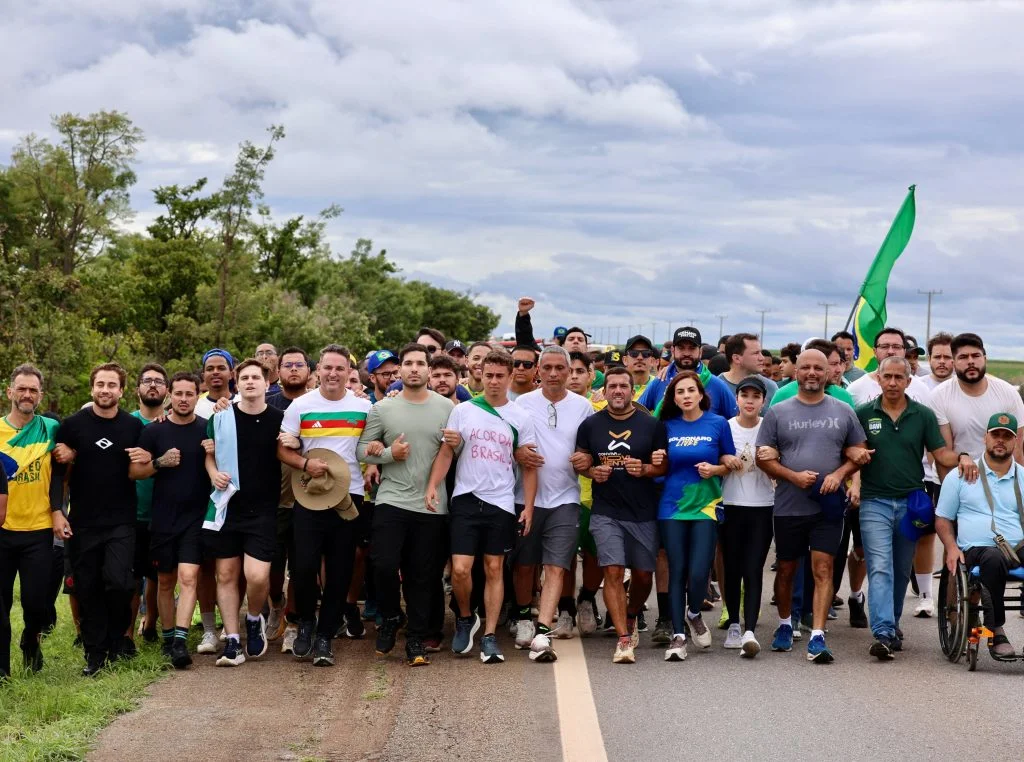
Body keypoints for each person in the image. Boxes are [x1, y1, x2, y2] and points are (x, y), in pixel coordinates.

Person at [425, 350, 538, 664]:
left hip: (500, 502)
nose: (494, 381)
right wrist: (434, 484)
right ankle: (465, 617)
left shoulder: (520, 416)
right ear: (479, 375)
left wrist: (528, 507)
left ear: (510, 376)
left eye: (500, 375)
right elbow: (447, 452)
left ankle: (489, 635)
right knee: (460, 570)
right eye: (488, 375)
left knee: (493, 569)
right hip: (465, 499)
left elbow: (529, 466)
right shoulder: (464, 411)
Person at [850, 357, 966, 659]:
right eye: (886, 376)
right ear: (878, 378)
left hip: (911, 502)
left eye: (898, 377)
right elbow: (853, 452)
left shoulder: (923, 415)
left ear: (908, 380)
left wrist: (964, 457)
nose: (891, 382)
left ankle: (892, 623)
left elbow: (940, 452)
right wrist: (854, 483)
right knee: (879, 566)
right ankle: (884, 632)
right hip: (874, 501)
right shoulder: (863, 413)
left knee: (901, 569)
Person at [756, 350, 866, 663]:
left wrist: (839, 475)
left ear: (829, 373)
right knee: (788, 569)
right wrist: (792, 476)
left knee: (823, 567)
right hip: (789, 504)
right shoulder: (778, 411)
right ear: (796, 372)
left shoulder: (844, 410)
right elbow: (764, 457)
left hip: (828, 506)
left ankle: (817, 635)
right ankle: (785, 624)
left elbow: (859, 453)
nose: (813, 373)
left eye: (819, 367)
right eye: (806, 367)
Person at [357, 343, 454, 667]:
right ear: (400, 371)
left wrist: (457, 441)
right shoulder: (383, 409)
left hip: (430, 504)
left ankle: (415, 639)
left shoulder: (447, 407)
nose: (414, 368)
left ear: (428, 369)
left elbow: (454, 449)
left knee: (422, 575)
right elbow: (362, 451)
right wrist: (387, 455)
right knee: (383, 563)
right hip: (391, 499)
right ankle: (389, 616)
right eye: (408, 363)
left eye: (419, 363)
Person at [277, 346, 371, 667]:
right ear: (318, 370)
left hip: (349, 497)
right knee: (303, 566)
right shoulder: (300, 406)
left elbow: (370, 449)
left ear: (348, 372)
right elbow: (283, 450)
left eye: (340, 369)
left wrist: (376, 459)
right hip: (309, 495)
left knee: (340, 570)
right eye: (327, 368)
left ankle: (325, 637)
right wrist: (304, 463)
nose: (333, 374)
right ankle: (305, 621)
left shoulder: (363, 409)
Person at [55, 363, 144, 676]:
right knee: (88, 588)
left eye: (112, 385)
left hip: (121, 520)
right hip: (83, 522)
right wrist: (58, 511)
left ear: (121, 391)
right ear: (92, 388)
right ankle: (95, 654)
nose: (105, 390)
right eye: (100, 385)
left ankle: (116, 636)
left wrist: (149, 458)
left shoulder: (133, 427)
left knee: (120, 583)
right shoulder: (72, 426)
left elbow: (143, 464)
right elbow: (59, 474)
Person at [575, 366, 668, 664]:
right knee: (613, 572)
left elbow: (662, 467)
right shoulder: (590, 425)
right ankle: (623, 639)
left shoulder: (652, 425)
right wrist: (591, 471)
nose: (617, 391)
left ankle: (630, 613)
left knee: (643, 575)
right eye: (612, 386)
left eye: (623, 386)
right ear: (604, 391)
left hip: (643, 511)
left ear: (631, 390)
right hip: (606, 511)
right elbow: (581, 462)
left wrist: (646, 470)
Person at [510, 346, 594, 662]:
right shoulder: (522, 403)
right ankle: (522, 618)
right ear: (539, 371)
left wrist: (587, 458)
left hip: (566, 498)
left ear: (570, 371)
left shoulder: (583, 406)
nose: (555, 374)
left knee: (556, 565)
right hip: (526, 497)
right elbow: (510, 443)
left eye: (561, 368)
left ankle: (543, 629)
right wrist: (517, 454)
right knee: (525, 564)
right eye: (548, 368)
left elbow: (589, 449)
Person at [203, 359, 284, 667]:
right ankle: (233, 643)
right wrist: (212, 474)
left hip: (263, 508)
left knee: (257, 575)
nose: (250, 381)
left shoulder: (280, 418)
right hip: (227, 505)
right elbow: (208, 456)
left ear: (267, 383)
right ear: (236, 384)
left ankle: (254, 618)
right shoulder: (222, 416)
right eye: (245, 378)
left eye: (256, 377)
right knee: (225, 574)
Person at [129, 372, 210, 669]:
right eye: (179, 394)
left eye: (190, 394)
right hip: (162, 517)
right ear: (169, 396)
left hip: (195, 518)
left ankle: (179, 640)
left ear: (197, 396)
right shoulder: (153, 432)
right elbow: (134, 472)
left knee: (189, 579)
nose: (184, 399)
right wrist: (160, 462)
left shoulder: (206, 429)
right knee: (165, 581)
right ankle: (166, 637)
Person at [656, 371, 737, 662]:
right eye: (680, 392)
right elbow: (658, 467)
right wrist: (656, 461)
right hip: (672, 506)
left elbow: (728, 460)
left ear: (701, 394)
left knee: (700, 570)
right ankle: (678, 636)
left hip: (706, 505)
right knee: (677, 569)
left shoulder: (718, 424)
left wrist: (717, 468)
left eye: (691, 390)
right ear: (674, 398)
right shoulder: (665, 426)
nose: (686, 396)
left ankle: (693, 613)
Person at [936, 413, 1024, 659]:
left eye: (1007, 437)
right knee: (992, 558)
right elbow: (942, 518)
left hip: (1016, 546)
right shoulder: (960, 476)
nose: (1000, 441)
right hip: (977, 549)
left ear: (1015, 442)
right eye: (996, 435)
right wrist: (952, 548)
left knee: (999, 557)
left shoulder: (1023, 476)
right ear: (985, 437)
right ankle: (996, 631)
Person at [0, 364, 62, 676]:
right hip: (2, 530)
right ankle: (2, 670)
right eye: (21, 389)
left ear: (40, 395)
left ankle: (30, 641)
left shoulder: (51, 429)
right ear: (9, 392)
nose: (27, 394)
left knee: (37, 603)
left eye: (33, 390)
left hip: (39, 529)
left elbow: (92, 424)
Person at [719, 376, 775, 658]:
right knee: (732, 568)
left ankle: (750, 630)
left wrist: (773, 458)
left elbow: (783, 461)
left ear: (763, 401)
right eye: (745, 395)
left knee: (753, 568)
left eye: (756, 396)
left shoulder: (770, 428)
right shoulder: (724, 428)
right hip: (730, 504)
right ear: (737, 399)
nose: (750, 400)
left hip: (763, 506)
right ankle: (733, 624)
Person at [265, 347, 310, 652]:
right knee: (271, 568)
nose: (293, 369)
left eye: (299, 365)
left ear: (309, 370)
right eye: (288, 365)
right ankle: (276, 605)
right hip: (272, 499)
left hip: (308, 499)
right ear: (278, 371)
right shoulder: (265, 405)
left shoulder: (318, 403)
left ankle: (293, 622)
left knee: (302, 566)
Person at [931, 332, 1024, 468]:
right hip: (957, 477)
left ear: (985, 359)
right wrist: (949, 488)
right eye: (963, 357)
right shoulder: (939, 396)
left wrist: (1014, 485)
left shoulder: (1008, 393)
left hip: (998, 479)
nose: (970, 361)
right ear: (953, 363)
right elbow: (943, 454)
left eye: (976, 356)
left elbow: (1017, 447)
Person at [128, 364, 168, 652]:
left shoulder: (171, 424)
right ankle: (126, 633)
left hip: (164, 513)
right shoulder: (126, 424)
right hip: (129, 511)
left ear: (166, 390)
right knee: (131, 575)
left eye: (158, 381)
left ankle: (151, 621)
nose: (153, 385)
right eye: (147, 381)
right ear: (137, 389)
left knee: (158, 574)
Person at [638, 326, 737, 419]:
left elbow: (737, 420)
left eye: (692, 348)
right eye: (681, 348)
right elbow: (636, 414)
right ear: (673, 350)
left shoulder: (716, 385)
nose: (686, 353)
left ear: (700, 352)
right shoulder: (660, 381)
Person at [719, 333, 779, 408]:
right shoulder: (715, 387)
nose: (762, 358)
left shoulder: (770, 387)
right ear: (737, 358)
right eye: (756, 353)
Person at [194, 348, 237, 419]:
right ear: (203, 376)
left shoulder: (243, 402)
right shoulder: (195, 408)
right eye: (210, 369)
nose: (215, 372)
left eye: (221, 368)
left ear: (231, 374)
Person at [623, 335, 657, 400]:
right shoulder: (611, 389)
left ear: (652, 361)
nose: (640, 358)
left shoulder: (661, 387)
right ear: (625, 360)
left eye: (646, 353)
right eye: (634, 353)